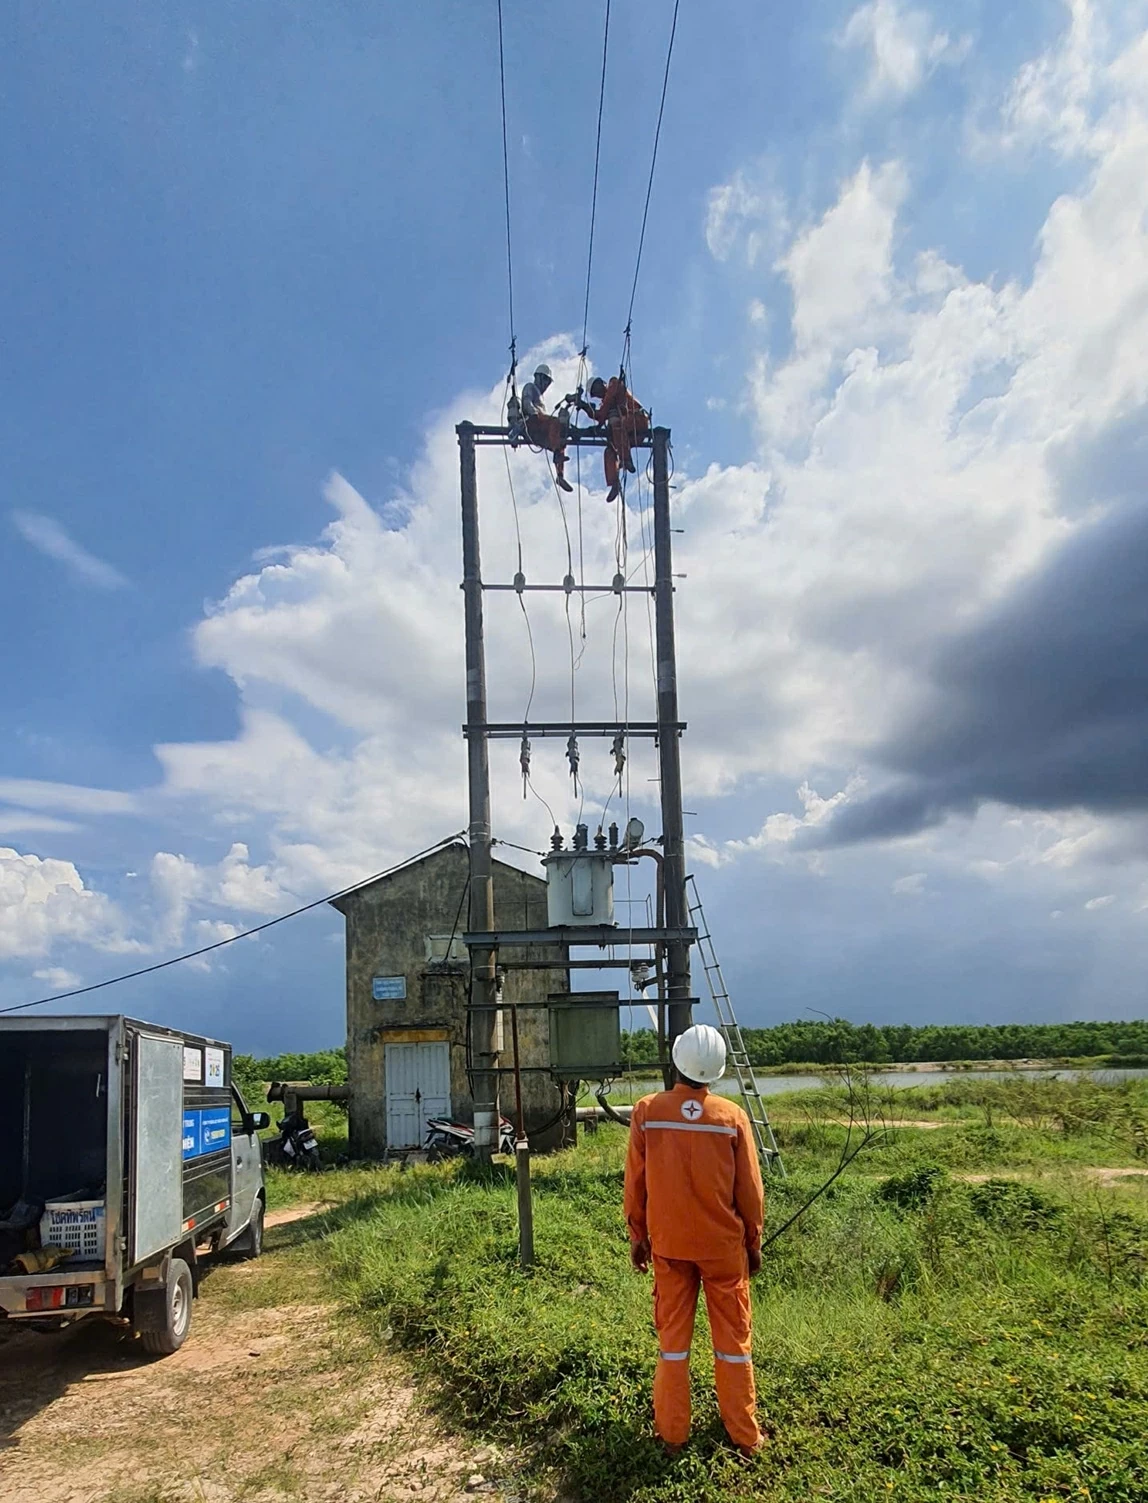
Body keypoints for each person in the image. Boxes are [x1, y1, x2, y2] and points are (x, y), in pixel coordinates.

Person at [623, 1023, 765, 1458]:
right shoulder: (731, 1117)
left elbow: (635, 1183)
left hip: (669, 1249)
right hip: (724, 1251)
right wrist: (753, 1242)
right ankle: (745, 1437)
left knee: (672, 1347)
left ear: (677, 1060)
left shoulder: (647, 1112)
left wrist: (638, 1236)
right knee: (734, 1347)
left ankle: (672, 1436)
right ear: (717, 1071)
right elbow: (750, 1191)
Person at [578, 374, 649, 502]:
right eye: (595, 394)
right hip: (628, 436)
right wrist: (585, 407)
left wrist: (597, 420)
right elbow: (600, 415)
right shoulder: (606, 402)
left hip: (637, 420)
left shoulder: (613, 384)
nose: (598, 395)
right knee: (609, 450)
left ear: (601, 383)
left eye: (596, 390)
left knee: (616, 425)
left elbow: (603, 411)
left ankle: (626, 459)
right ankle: (614, 484)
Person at [519, 363, 573, 492]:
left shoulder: (541, 397)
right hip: (531, 422)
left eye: (548, 383)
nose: (546, 385)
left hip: (540, 427)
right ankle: (557, 453)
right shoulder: (530, 387)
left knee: (560, 440)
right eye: (545, 381)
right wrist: (534, 414)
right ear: (538, 377)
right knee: (555, 423)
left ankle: (560, 475)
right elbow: (526, 402)